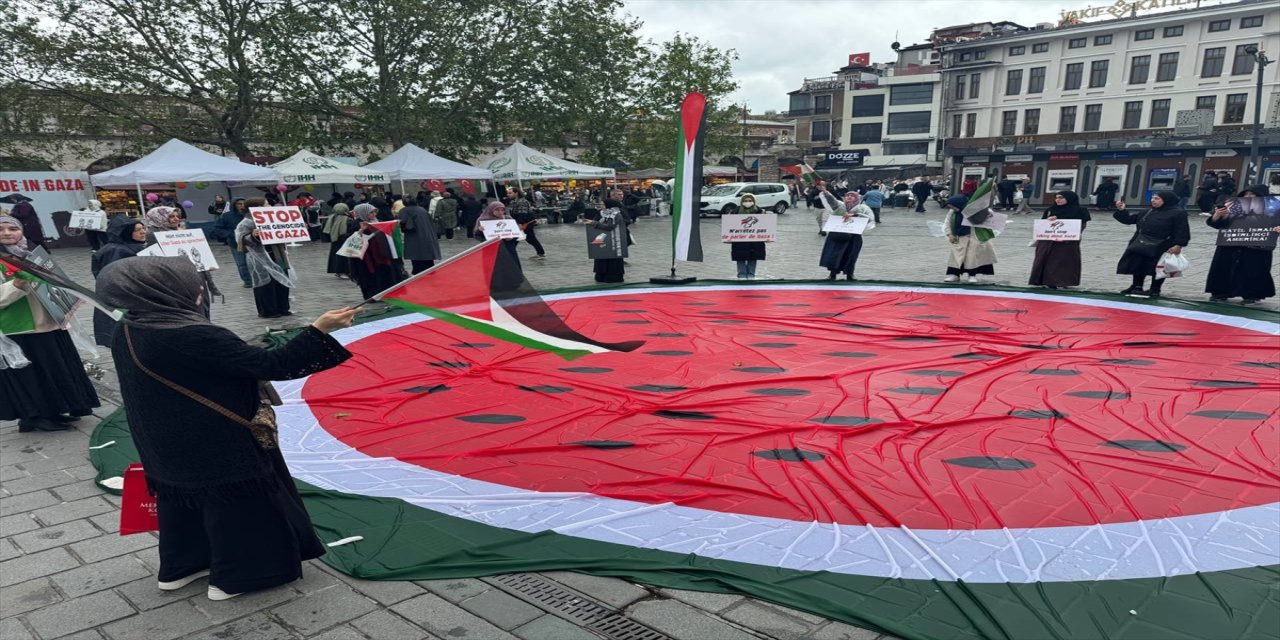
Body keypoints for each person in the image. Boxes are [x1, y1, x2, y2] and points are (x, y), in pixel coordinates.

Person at [97, 256, 357, 601]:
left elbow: (221, 364)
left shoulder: (130, 325)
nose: (200, 287)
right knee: (239, 508)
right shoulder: (192, 334)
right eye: (192, 282)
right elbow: (271, 364)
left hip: (162, 439)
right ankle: (238, 577)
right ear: (166, 291)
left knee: (184, 501)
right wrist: (319, 329)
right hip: (213, 439)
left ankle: (181, 567)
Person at [0, 215, 100, 432]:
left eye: (13, 228)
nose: (7, 233)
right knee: (33, 374)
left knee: (54, 369)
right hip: (21, 327)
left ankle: (55, 410)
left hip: (49, 321)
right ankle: (35, 416)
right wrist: (16, 285)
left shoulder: (31, 254)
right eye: (1, 229)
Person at [1204, 185, 1278, 304]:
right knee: (1224, 269)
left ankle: (1251, 295)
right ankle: (1220, 293)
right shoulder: (1233, 206)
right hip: (1230, 244)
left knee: (1252, 271)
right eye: (1245, 194)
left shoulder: (1273, 208)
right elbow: (1216, 224)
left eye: (1252, 194)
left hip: (1257, 246)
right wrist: (1218, 216)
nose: (1248, 197)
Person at [1114, 191, 1190, 298]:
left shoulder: (1178, 213)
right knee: (1138, 264)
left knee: (1158, 267)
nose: (1153, 200)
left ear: (1166, 200)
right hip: (1142, 243)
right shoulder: (1148, 211)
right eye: (1153, 198)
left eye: (1157, 198)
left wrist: (1179, 245)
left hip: (1162, 244)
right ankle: (1137, 286)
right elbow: (1129, 220)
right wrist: (1121, 210)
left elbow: (1182, 230)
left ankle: (1155, 289)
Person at [90, 216, 147, 346]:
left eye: (143, 228)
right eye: (138, 230)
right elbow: (115, 279)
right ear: (125, 232)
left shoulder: (126, 247)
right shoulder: (116, 251)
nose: (143, 232)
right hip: (123, 302)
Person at [235, 198, 294, 318]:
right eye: (266, 204)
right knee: (266, 284)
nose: (270, 206)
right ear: (257, 207)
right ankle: (268, 310)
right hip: (260, 257)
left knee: (282, 281)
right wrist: (252, 235)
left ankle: (283, 307)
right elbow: (241, 239)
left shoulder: (274, 218)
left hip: (277, 254)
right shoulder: (246, 222)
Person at [1028, 191, 1091, 289]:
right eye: (1056, 197)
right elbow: (1043, 225)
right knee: (1048, 261)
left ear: (1069, 198)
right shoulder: (1050, 209)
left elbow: (1081, 226)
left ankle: (1065, 281)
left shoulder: (1080, 210)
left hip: (1068, 243)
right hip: (1049, 242)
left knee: (1065, 262)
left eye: (1061, 197)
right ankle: (1047, 281)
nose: (1058, 200)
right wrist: (1048, 220)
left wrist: (1067, 236)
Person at [819, 192, 874, 281]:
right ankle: (832, 274)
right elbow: (831, 200)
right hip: (837, 235)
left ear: (857, 198)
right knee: (834, 255)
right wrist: (824, 191)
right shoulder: (839, 206)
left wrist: (855, 215)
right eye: (847, 195)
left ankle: (850, 274)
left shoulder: (863, 208)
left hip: (853, 236)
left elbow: (870, 218)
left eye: (852, 196)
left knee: (851, 255)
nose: (849, 197)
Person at [350, 204, 402, 298]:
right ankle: (372, 295)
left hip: (381, 253)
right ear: (364, 213)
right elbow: (352, 239)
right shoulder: (356, 224)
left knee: (385, 272)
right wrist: (361, 230)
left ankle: (387, 293)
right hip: (366, 256)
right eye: (371, 212)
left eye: (375, 212)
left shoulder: (377, 222)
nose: (374, 214)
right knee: (370, 275)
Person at [943, 195, 997, 283]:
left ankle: (972, 275)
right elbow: (947, 222)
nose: (952, 208)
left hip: (974, 237)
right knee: (956, 257)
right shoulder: (953, 212)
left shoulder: (975, 210)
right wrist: (949, 234)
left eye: (953, 206)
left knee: (972, 257)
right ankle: (954, 275)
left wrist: (989, 214)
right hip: (959, 237)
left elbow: (990, 216)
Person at [211, 199, 252, 288]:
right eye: (239, 204)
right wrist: (230, 235)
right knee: (241, 263)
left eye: (243, 204)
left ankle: (256, 278)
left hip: (252, 242)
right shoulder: (226, 216)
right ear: (234, 205)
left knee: (254, 262)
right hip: (235, 243)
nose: (242, 206)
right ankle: (248, 281)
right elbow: (218, 228)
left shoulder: (250, 214)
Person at [587, 199, 627, 283]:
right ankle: (601, 275)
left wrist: (594, 223)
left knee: (612, 259)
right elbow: (596, 220)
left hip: (613, 241)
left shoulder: (616, 214)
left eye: (602, 204)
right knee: (601, 257)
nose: (601, 206)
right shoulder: (601, 213)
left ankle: (613, 276)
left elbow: (610, 226)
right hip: (603, 239)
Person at [399, 199, 442, 274]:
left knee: (416, 254)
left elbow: (402, 222)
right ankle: (430, 270)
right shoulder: (422, 209)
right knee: (427, 254)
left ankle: (418, 272)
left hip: (414, 236)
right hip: (427, 234)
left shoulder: (405, 210)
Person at [731, 194, 766, 279]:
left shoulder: (759, 211)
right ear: (742, 201)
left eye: (750, 201)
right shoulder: (736, 211)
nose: (748, 202)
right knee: (740, 257)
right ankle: (741, 274)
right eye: (745, 201)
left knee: (753, 257)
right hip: (740, 240)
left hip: (755, 240)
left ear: (753, 202)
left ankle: (751, 274)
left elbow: (766, 224)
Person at [321, 202, 355, 278]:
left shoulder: (331, 218)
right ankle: (344, 271)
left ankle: (337, 271)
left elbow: (326, 230)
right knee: (343, 257)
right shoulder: (348, 219)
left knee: (335, 256)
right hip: (344, 240)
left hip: (334, 239)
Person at [510, 188, 545, 258]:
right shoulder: (514, 202)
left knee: (522, 238)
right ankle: (541, 253)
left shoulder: (522, 201)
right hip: (520, 222)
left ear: (516, 193)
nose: (508, 195)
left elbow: (522, 213)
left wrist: (520, 223)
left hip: (525, 222)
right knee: (526, 238)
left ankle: (541, 253)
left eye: (510, 193)